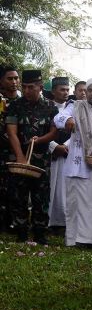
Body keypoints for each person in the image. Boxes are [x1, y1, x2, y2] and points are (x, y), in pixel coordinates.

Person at [53, 78, 92, 248]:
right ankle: (80, 239)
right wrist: (67, 121)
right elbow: (59, 117)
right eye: (90, 90)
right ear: (85, 92)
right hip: (80, 164)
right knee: (80, 204)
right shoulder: (76, 107)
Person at [5, 69, 59, 244]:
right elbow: (12, 133)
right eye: (25, 87)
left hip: (41, 159)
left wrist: (40, 139)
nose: (27, 91)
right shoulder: (16, 106)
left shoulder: (50, 107)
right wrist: (20, 156)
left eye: (31, 87)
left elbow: (54, 132)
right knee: (19, 194)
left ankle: (40, 231)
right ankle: (21, 230)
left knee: (41, 196)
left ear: (40, 87)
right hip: (19, 157)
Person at [48, 77, 71, 233]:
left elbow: (78, 132)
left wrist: (66, 146)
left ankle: (63, 222)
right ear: (53, 91)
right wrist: (55, 147)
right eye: (62, 89)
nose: (65, 93)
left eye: (67, 90)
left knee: (65, 188)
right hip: (51, 153)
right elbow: (41, 132)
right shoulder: (46, 108)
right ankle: (49, 221)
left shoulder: (73, 109)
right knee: (50, 186)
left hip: (68, 153)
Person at [0, 66, 20, 233]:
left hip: (17, 152)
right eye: (9, 79)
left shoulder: (23, 102)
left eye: (16, 78)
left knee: (15, 188)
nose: (14, 82)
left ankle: (14, 222)